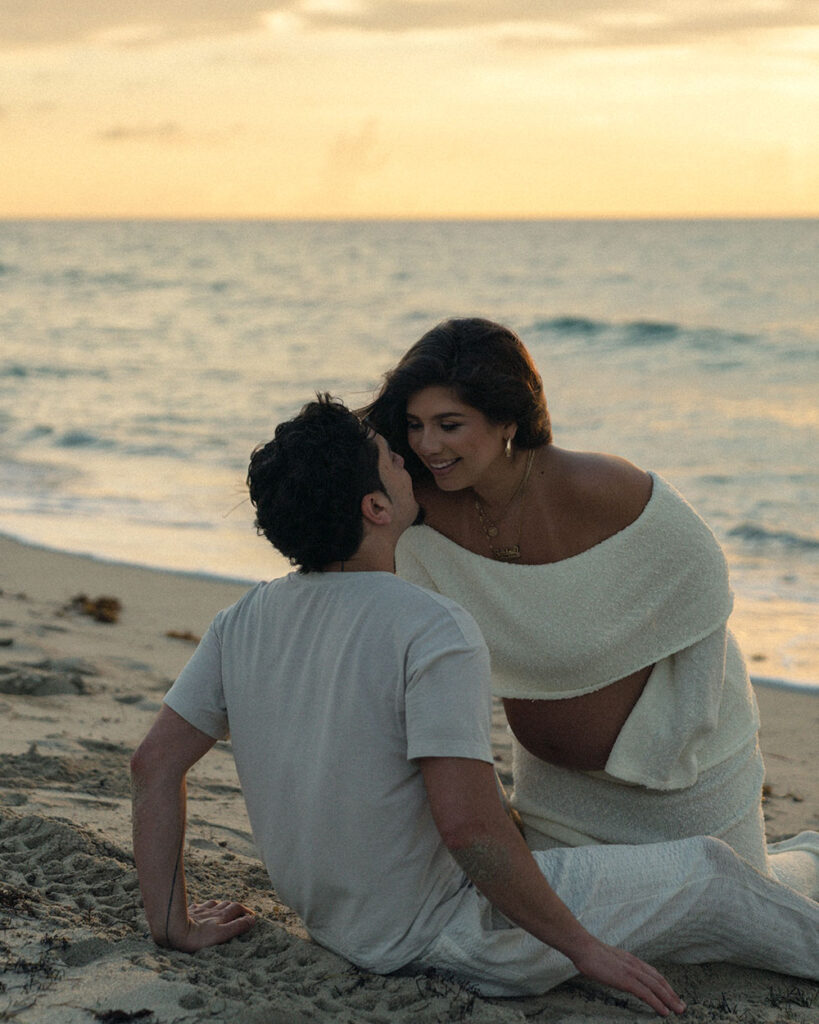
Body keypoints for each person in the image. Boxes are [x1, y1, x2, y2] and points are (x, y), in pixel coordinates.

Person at [130, 395, 819, 1012]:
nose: (409, 465)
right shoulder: (429, 626)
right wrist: (584, 950)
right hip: (451, 930)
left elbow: (153, 765)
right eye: (391, 461)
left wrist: (172, 922)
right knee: (707, 874)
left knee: (754, 869)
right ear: (374, 508)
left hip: (338, 922)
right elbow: (468, 829)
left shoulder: (241, 620)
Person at [362, 318, 819, 896]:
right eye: (415, 426)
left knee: (736, 907)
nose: (428, 445)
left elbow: (703, 580)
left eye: (449, 425)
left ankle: (808, 861)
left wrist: (679, 736)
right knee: (587, 919)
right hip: (559, 799)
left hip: (683, 778)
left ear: (507, 419)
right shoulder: (418, 512)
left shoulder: (598, 486)